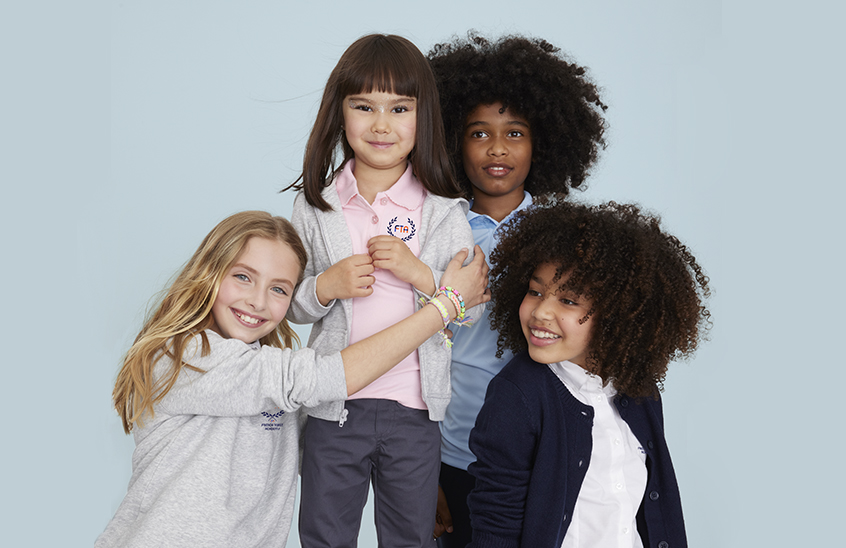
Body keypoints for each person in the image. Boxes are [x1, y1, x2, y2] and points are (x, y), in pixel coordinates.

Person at [95, 211, 489, 548]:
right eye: (243, 277)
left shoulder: (269, 373)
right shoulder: (184, 356)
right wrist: (447, 304)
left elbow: (335, 446)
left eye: (279, 289)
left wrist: (418, 479)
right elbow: (326, 377)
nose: (258, 301)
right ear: (208, 274)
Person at [283, 34, 482, 548]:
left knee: (410, 537)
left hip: (414, 408)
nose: (380, 124)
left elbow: (470, 313)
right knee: (324, 535)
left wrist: (420, 275)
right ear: (340, 113)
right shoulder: (316, 208)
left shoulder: (443, 212)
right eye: (363, 106)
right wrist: (325, 287)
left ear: (423, 116)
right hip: (334, 403)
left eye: (399, 108)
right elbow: (288, 305)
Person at [426, 33, 608, 546]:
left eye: (515, 133)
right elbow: (413, 354)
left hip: (547, 446)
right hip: (454, 450)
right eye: (478, 133)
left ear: (542, 142)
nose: (498, 148)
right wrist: (427, 472)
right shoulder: (436, 233)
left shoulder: (566, 239)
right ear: (450, 142)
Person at [466, 201, 711, 548]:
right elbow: (495, 525)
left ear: (617, 314)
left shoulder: (640, 393)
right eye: (535, 291)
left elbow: (651, 511)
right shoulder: (517, 394)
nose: (541, 311)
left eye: (568, 300)